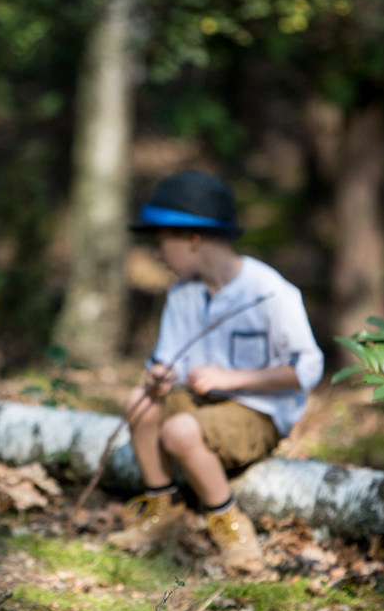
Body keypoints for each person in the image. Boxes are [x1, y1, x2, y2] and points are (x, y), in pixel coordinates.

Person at [107, 171, 323, 572]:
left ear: (193, 238)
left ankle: (229, 524)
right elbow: (165, 359)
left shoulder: (271, 293)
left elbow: (308, 368)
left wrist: (232, 378)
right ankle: (163, 507)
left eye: (162, 242)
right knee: (138, 402)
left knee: (179, 430)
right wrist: (157, 376)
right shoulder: (183, 292)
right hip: (198, 404)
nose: (158, 254)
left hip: (257, 411)